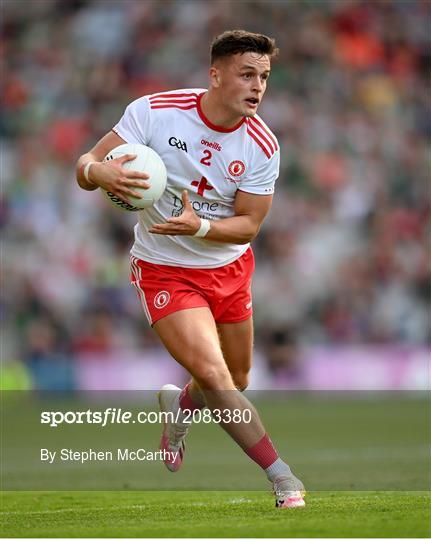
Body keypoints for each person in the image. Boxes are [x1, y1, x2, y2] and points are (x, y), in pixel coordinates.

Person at [75, 29, 305, 509]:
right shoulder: (155, 112)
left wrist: (198, 225)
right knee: (215, 375)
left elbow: (248, 226)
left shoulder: (262, 145)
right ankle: (284, 480)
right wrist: (102, 174)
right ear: (215, 75)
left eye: (263, 77)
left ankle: (181, 407)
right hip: (165, 269)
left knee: (237, 379)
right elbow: (86, 164)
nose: (257, 86)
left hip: (228, 268)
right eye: (246, 75)